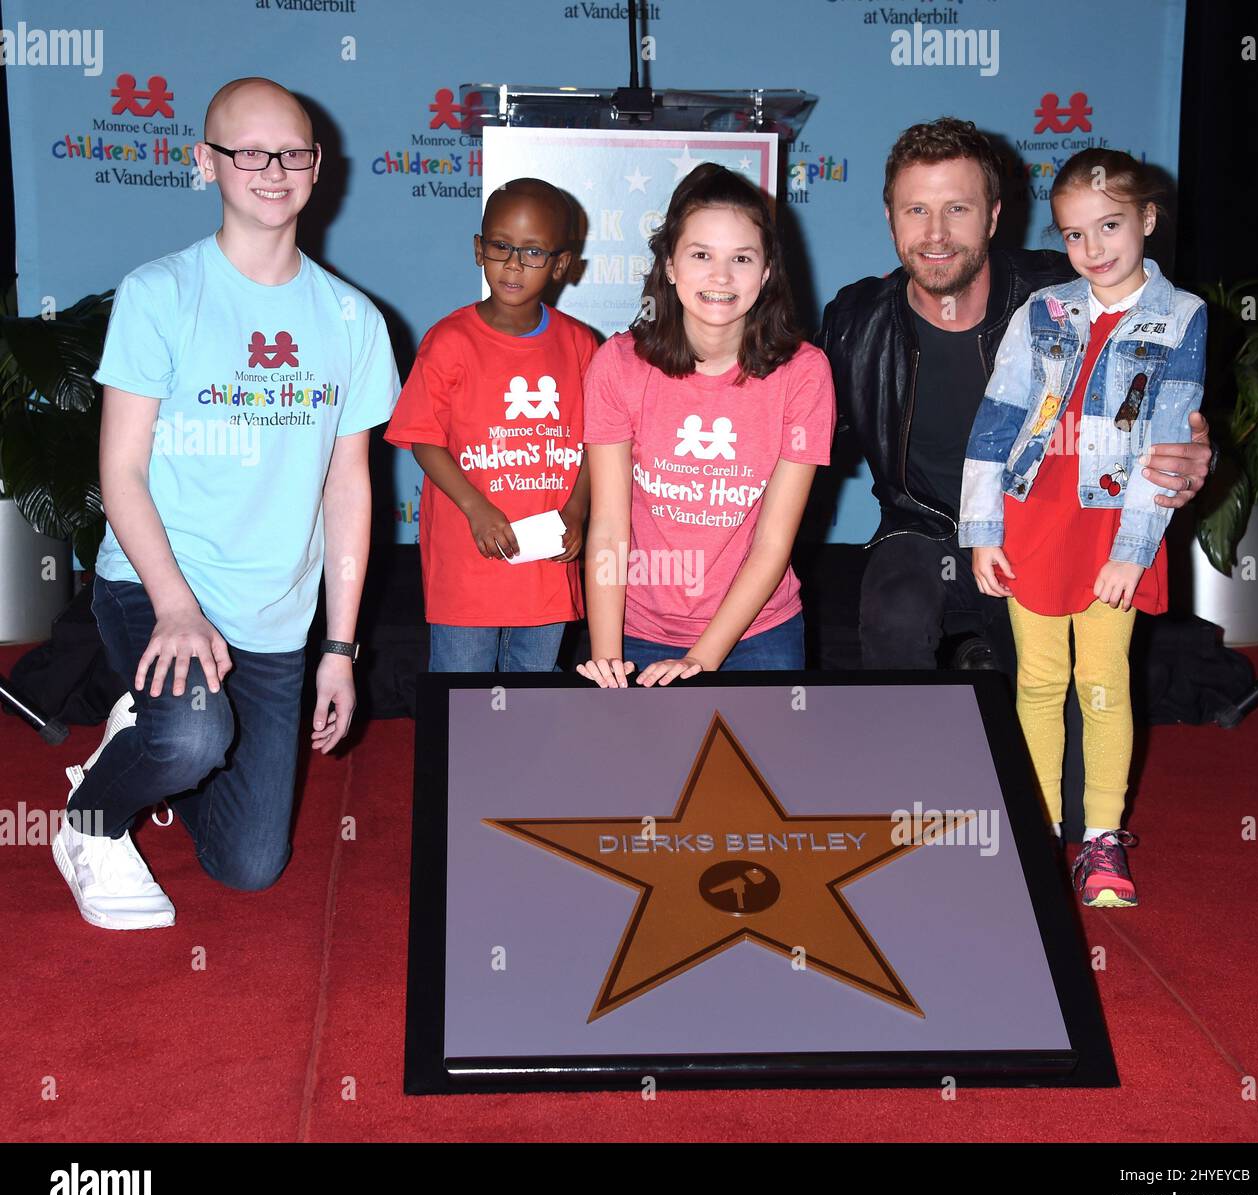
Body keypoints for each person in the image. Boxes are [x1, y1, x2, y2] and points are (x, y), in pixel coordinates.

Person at [53, 78, 400, 930]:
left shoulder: (353, 319)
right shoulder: (160, 293)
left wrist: (340, 647)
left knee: (250, 866)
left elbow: (348, 487)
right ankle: (93, 815)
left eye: (291, 152)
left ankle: (154, 739)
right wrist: (174, 608)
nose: (272, 169)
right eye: (249, 151)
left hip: (275, 618)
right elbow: (122, 472)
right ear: (206, 163)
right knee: (194, 736)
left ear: (318, 168)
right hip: (157, 583)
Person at [819, 118, 1213, 674]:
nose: (935, 233)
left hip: (1042, 523)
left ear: (994, 215)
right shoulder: (855, 322)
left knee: (1059, 722)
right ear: (890, 221)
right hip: (921, 527)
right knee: (894, 617)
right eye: (916, 211)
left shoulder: (1065, 297)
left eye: (957, 209)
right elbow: (801, 440)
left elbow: (1160, 398)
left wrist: (1193, 459)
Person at [960, 149, 1206, 907]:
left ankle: (1101, 838)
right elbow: (997, 419)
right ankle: (1037, 834)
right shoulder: (1042, 310)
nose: (1092, 249)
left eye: (1108, 226)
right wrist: (981, 527)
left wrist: (1135, 551)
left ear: (1147, 220)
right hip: (1032, 520)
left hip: (1111, 530)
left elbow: (1170, 449)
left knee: (1102, 683)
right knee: (1035, 683)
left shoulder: (1184, 316)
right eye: (1073, 234)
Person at [579, 164, 834, 688]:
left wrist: (703, 658)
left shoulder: (804, 374)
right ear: (670, 265)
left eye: (742, 258)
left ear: (766, 272)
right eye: (701, 255)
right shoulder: (618, 365)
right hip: (635, 628)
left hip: (756, 631)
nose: (721, 277)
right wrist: (608, 660)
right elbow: (608, 528)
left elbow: (772, 542)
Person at [385, 178, 594, 672]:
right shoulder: (450, 340)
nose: (514, 264)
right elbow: (422, 439)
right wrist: (475, 507)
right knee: (462, 702)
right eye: (501, 246)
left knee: (533, 704)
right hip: (469, 565)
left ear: (561, 264)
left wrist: (579, 510)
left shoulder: (581, 345)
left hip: (546, 568)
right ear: (479, 250)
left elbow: (596, 445)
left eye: (534, 252)